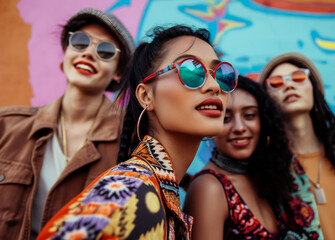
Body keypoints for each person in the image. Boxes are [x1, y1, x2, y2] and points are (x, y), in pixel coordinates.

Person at [37, 24, 238, 239]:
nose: (214, 86)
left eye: (221, 74)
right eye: (191, 70)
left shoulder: (158, 190)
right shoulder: (131, 190)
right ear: (146, 97)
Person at [0, 8, 135, 240]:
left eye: (105, 51)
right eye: (80, 42)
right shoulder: (7, 126)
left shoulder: (133, 137)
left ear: (118, 72)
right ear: (66, 56)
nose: (89, 53)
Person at [183, 75, 303, 239]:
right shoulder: (208, 187)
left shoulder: (264, 177)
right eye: (225, 118)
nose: (239, 128)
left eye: (249, 115)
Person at [257, 52, 335, 239]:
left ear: (313, 88)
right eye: (277, 82)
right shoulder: (267, 170)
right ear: (267, 100)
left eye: (298, 77)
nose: (288, 85)